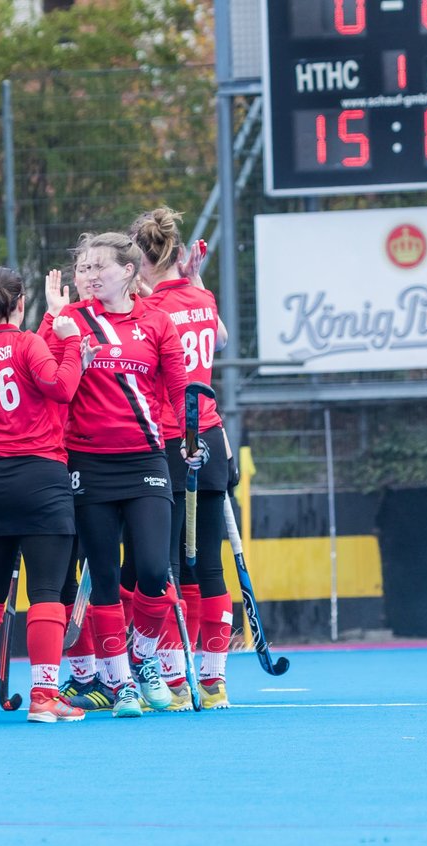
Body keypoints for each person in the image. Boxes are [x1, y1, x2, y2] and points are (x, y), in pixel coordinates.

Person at [39, 232, 204, 718]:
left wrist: (191, 439)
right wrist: (52, 319)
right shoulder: (71, 319)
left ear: (128, 272)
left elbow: (179, 389)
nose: (89, 276)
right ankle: (120, 682)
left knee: (154, 571)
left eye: (99, 268)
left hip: (148, 459)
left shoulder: (156, 321)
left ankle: (144, 658)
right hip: (87, 464)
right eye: (83, 268)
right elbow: (44, 379)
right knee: (105, 578)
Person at [0, 267, 99, 723]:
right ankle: (44, 695)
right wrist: (71, 343)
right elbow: (62, 387)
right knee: (47, 589)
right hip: (42, 479)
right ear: (21, 304)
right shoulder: (30, 344)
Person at [133, 208, 233, 710]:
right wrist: (195, 282)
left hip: (170, 440)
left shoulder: (148, 311)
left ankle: (172, 678)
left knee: (167, 563)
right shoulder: (202, 295)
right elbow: (221, 339)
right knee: (208, 564)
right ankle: (213, 681)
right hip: (211, 435)